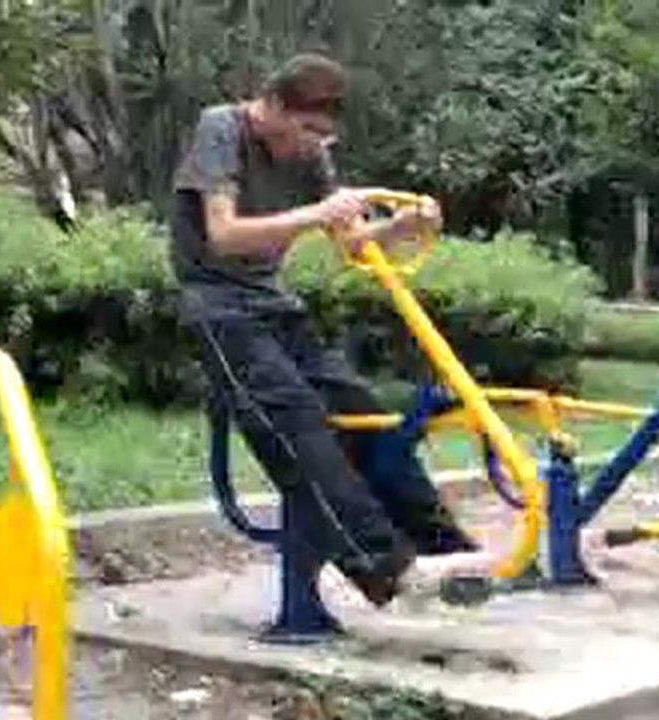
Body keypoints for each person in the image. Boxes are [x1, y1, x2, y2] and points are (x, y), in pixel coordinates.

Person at [170, 52, 494, 608]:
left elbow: (353, 245)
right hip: (219, 306)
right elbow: (223, 235)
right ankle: (385, 566)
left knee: (367, 417)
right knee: (295, 422)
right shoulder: (221, 128)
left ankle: (449, 553)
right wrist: (317, 215)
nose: (314, 144)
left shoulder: (310, 152)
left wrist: (403, 225)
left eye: (324, 135)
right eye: (307, 129)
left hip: (275, 303)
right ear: (273, 105)